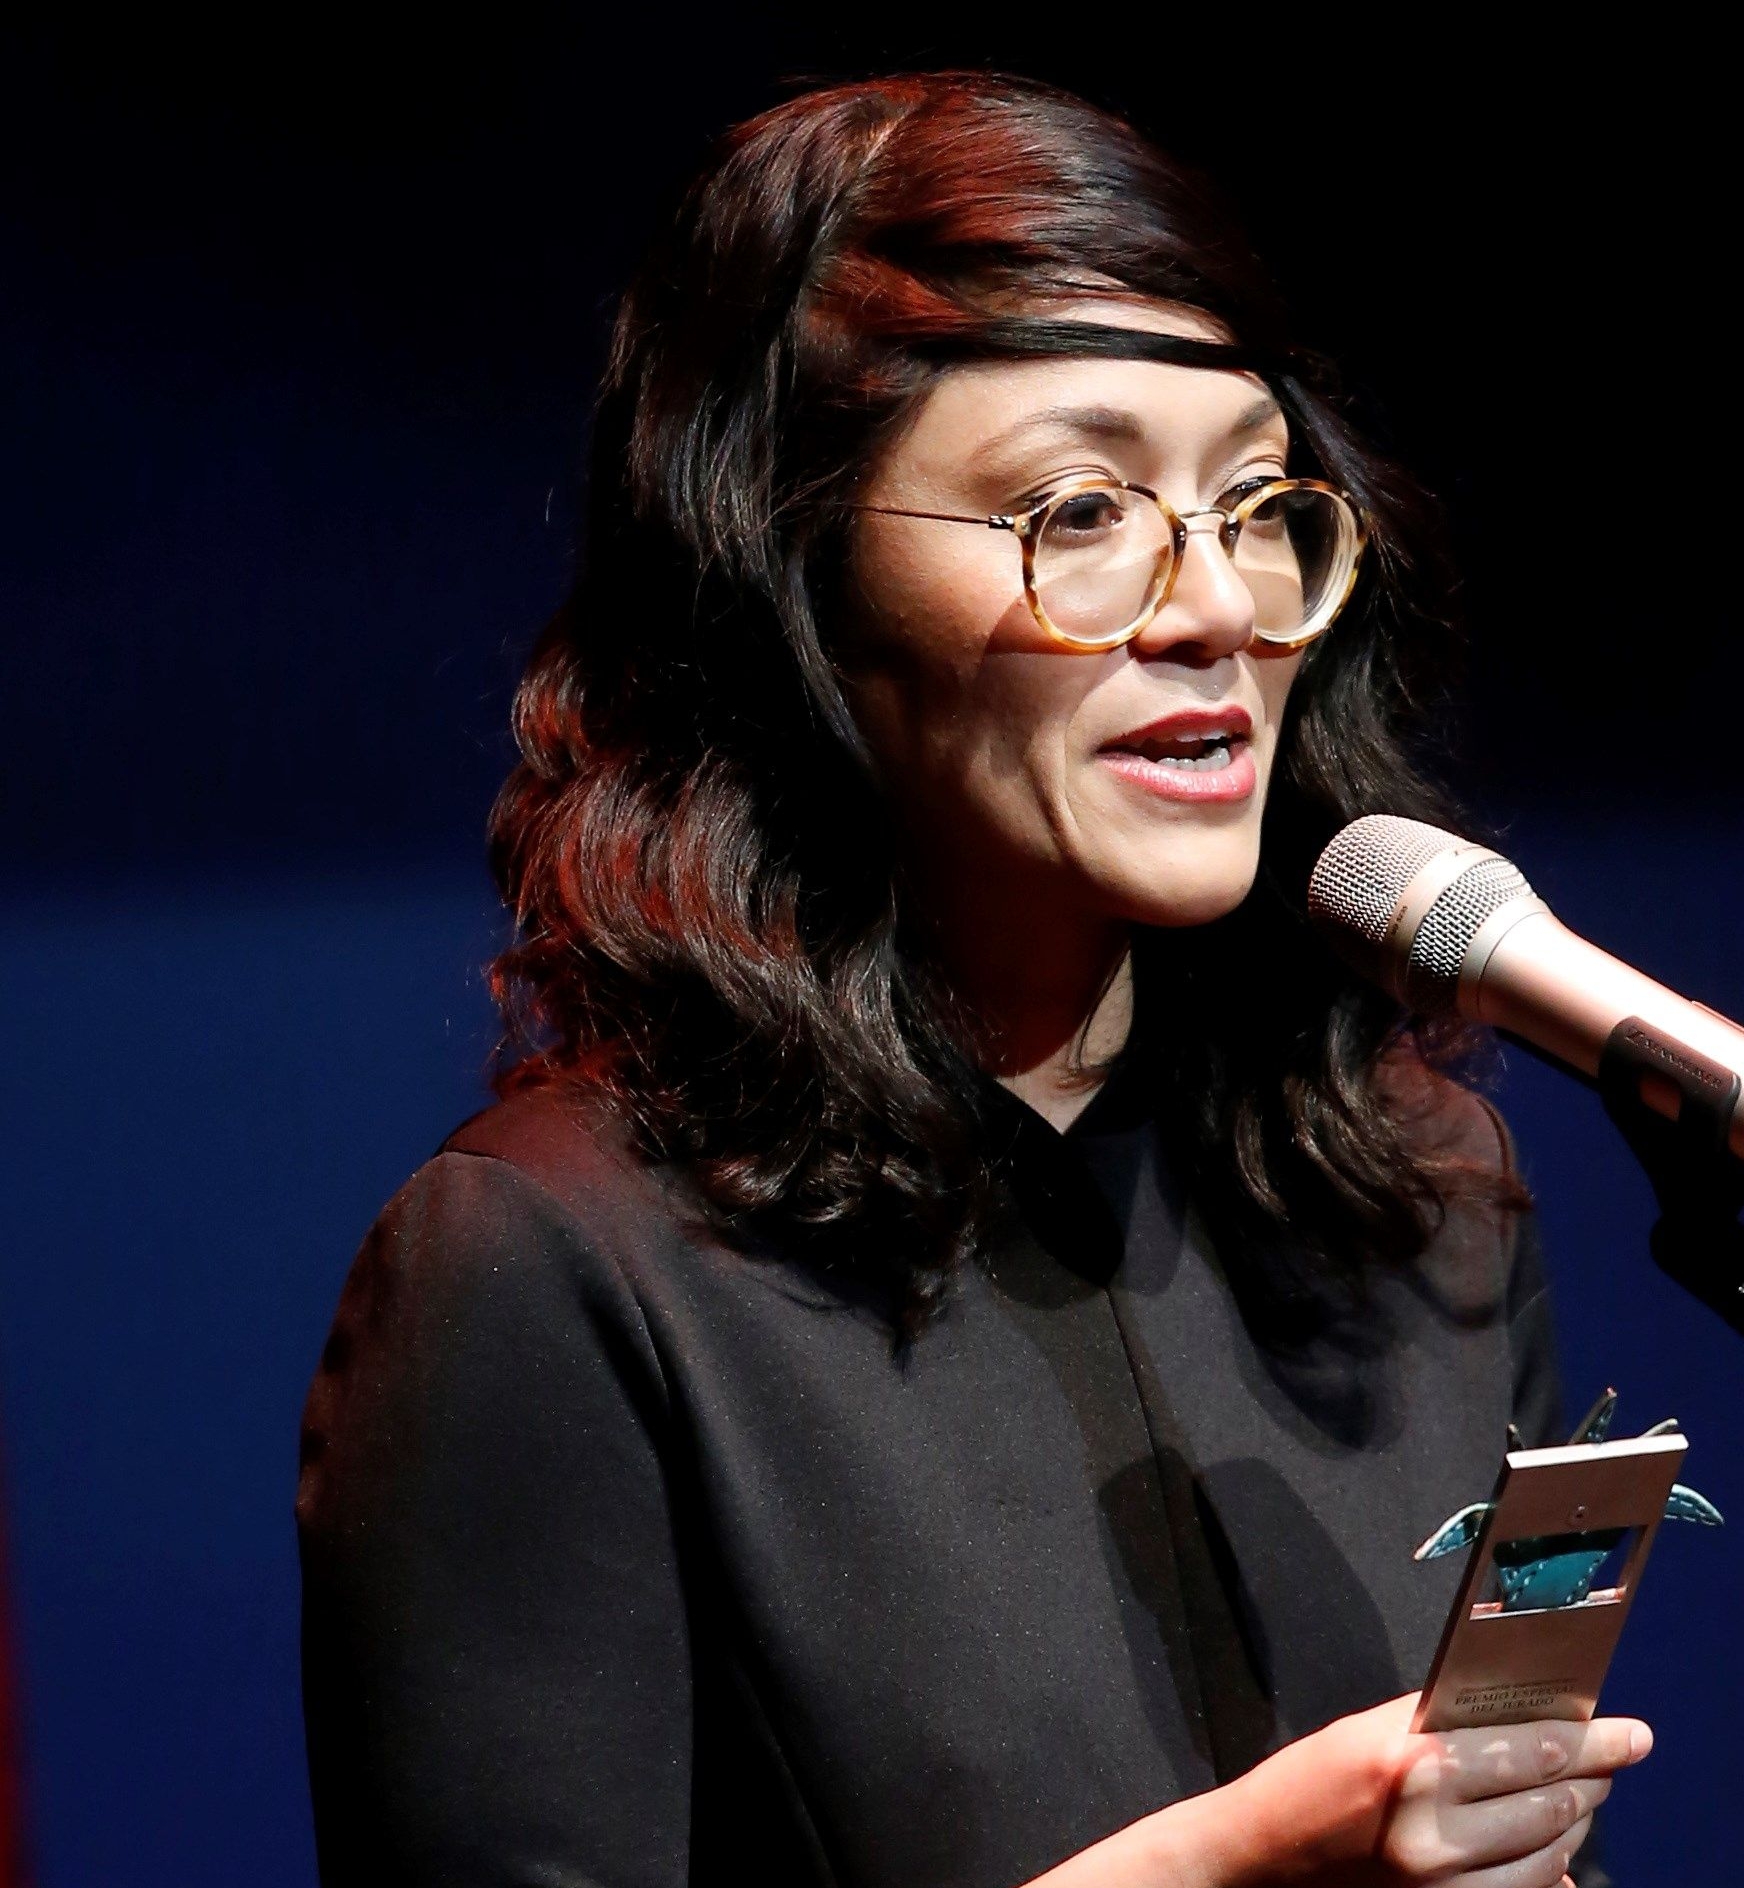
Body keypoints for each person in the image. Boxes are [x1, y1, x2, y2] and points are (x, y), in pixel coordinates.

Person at [296, 72, 1644, 1888]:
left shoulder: (1417, 1204)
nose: (1216, 606)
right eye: (1078, 510)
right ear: (796, 588)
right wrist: (1230, 1871)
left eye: (1254, 503)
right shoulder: (554, 1271)